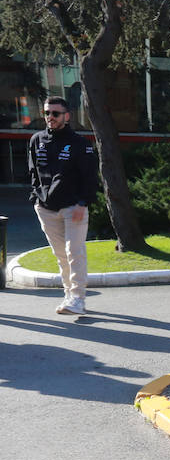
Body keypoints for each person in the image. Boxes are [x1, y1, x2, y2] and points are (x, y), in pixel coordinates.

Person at [28, 96, 98, 315]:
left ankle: (78, 298)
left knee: (74, 252)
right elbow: (33, 172)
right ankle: (69, 295)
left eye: (55, 114)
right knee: (61, 254)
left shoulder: (80, 143)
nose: (50, 117)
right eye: (47, 113)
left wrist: (83, 203)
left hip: (73, 207)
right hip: (45, 208)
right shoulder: (36, 140)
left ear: (67, 116)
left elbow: (90, 177)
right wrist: (36, 198)